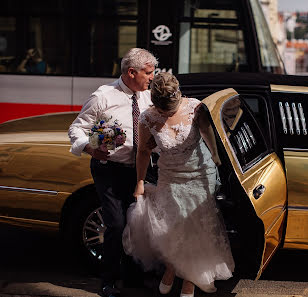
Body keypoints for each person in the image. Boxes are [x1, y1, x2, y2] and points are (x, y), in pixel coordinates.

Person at [122, 72, 234, 297]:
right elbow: (144, 151)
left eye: (170, 111)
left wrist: (215, 154)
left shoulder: (195, 108)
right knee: (172, 227)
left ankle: (188, 280)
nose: (166, 114)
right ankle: (173, 266)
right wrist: (140, 182)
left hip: (199, 174)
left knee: (193, 227)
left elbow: (206, 131)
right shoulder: (147, 118)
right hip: (170, 176)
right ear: (155, 104)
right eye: (162, 111)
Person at [68, 48, 158, 297]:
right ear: (132, 72)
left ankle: (132, 278)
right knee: (116, 225)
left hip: (138, 172)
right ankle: (107, 281)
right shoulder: (103, 96)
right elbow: (77, 128)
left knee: (135, 225)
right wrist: (89, 148)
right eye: (148, 73)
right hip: (108, 170)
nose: (152, 77)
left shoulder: (146, 97)